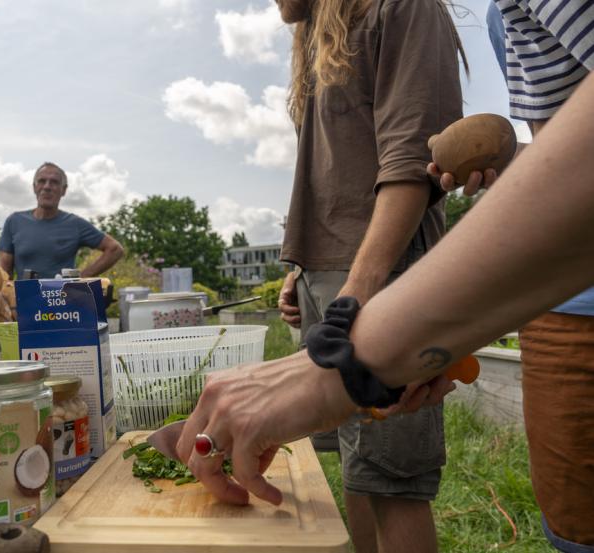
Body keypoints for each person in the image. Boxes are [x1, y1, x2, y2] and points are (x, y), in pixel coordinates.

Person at [174, 67, 594, 537]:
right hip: (556, 298)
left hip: (545, 304)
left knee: (393, 480)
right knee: (569, 526)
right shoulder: (315, 48)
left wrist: (348, 357)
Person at [274, 0, 465, 550]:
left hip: (382, 280)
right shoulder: (318, 30)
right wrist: (300, 265)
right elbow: (333, 167)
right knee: (360, 470)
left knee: (395, 485)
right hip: (329, 276)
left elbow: (410, 164)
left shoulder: (404, 7)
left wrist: (351, 302)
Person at [429, 2, 594, 550]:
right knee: (574, 531)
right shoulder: (506, 14)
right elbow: (569, 158)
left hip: (577, 307)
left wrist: (388, 337)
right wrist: (517, 163)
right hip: (564, 301)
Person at [0, 162, 124, 280]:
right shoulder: (15, 221)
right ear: (34, 187)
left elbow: (115, 249)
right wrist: (7, 300)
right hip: (25, 301)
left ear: (63, 190)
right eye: (42, 181)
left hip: (64, 301)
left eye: (54, 182)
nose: (47, 187)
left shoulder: (75, 224)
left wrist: (81, 278)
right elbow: (4, 271)